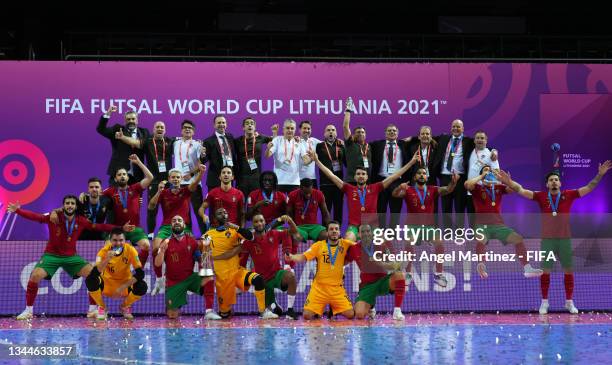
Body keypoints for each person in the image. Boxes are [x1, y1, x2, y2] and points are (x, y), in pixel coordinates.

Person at [496, 161, 611, 314]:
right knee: (546, 272)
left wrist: (600, 174)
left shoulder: (569, 195)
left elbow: (589, 187)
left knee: (568, 271)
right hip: (548, 241)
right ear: (547, 184)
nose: (554, 181)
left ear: (560, 183)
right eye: (551, 180)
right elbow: (521, 190)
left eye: (556, 179)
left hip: (564, 240)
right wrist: (509, 182)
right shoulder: (541, 196)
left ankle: (569, 302)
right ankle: (544, 303)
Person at [7, 196, 132, 320]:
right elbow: (36, 217)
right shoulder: (53, 217)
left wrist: (121, 228)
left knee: (93, 274)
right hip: (51, 256)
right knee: (35, 276)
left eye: (72, 203)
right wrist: (18, 210)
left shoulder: (81, 220)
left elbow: (99, 226)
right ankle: (28, 311)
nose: (70, 205)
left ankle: (92, 309)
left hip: (71, 257)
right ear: (63, 206)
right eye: (67, 203)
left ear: (76, 206)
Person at [312, 149, 419, 241]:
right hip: (354, 226)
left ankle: (388, 263)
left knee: (383, 241)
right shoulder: (348, 188)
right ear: (354, 177)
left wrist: (411, 162)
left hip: (372, 227)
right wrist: (317, 161)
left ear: (367, 177)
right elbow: (331, 175)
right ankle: (344, 264)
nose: (361, 176)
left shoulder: (375, 187)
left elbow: (394, 176)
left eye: (363, 174)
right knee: (348, 239)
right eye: (358, 174)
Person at [464, 165, 542, 279]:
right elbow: (467, 184)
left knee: (518, 238)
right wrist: (481, 176)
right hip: (482, 226)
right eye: (486, 170)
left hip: (498, 226)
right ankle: (481, 265)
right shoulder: (476, 188)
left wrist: (508, 181)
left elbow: (515, 189)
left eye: (491, 170)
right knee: (482, 240)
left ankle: (527, 269)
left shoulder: (499, 188)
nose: (489, 171)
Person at [204, 208, 278, 319]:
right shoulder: (209, 234)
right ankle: (227, 307)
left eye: (225, 212)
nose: (223, 214)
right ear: (214, 218)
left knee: (258, 279)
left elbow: (251, 236)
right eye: (219, 213)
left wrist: (236, 227)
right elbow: (204, 251)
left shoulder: (235, 231)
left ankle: (263, 312)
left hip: (237, 272)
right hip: (223, 278)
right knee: (225, 314)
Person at [392, 167, 459, 287]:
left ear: (427, 177)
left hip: (428, 227)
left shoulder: (433, 189)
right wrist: (399, 188)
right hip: (412, 227)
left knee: (439, 242)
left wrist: (453, 182)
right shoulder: (408, 190)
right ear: (414, 177)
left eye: (424, 173)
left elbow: (448, 190)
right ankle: (408, 273)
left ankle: (438, 274)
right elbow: (395, 194)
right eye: (419, 173)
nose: (422, 175)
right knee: (409, 241)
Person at [148, 165, 206, 295]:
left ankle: (196, 280)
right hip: (167, 227)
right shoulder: (163, 193)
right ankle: (159, 280)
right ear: (169, 179)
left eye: (178, 177)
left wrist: (201, 173)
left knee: (197, 250)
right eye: (173, 177)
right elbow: (151, 206)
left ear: (181, 179)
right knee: (156, 248)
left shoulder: (185, 191)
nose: (175, 179)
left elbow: (195, 183)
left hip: (184, 226)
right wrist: (159, 191)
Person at [115, 120, 175, 238]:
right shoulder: (148, 141)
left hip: (169, 180)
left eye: (162, 127)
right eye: (157, 127)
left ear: (165, 130)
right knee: (152, 208)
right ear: (153, 129)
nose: (159, 129)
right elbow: (136, 142)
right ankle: (151, 233)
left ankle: (172, 232)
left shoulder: (170, 141)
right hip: (153, 180)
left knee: (171, 208)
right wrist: (123, 138)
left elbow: (185, 141)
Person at [285, 221, 356, 320]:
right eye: (331, 229)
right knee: (306, 315)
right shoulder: (318, 245)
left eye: (336, 229)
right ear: (327, 233)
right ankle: (320, 309)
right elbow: (303, 257)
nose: (334, 231)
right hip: (319, 288)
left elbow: (359, 248)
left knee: (350, 314)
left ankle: (333, 309)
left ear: (340, 232)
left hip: (337, 289)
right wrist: (292, 257)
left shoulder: (346, 244)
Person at [154, 215, 220, 319]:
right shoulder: (165, 242)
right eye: (174, 220)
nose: (176, 222)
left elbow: (200, 260)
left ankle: (209, 311)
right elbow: (157, 264)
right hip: (173, 282)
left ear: (184, 225)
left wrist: (206, 250)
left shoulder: (192, 241)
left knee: (209, 278)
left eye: (179, 220)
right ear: (170, 225)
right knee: (172, 315)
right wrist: (162, 251)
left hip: (190, 279)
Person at [240, 214, 299, 319]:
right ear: (252, 224)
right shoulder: (248, 242)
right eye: (256, 221)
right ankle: (273, 304)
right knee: (276, 312)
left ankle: (290, 310)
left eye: (261, 221)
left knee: (291, 277)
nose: (259, 223)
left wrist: (290, 221)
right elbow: (241, 262)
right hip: (262, 281)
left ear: (265, 222)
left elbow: (293, 233)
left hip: (276, 274)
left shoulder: (274, 234)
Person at [85, 228, 147, 320]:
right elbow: (95, 272)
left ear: (125, 241)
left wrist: (122, 287)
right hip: (106, 285)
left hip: (124, 287)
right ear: (110, 240)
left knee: (142, 285)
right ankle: (102, 307)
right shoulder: (103, 251)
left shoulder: (131, 250)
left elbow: (140, 274)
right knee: (90, 279)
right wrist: (107, 259)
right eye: (115, 240)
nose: (118, 243)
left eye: (121, 240)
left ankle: (124, 306)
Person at [103, 154, 154, 265]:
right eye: (119, 175)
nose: (122, 176)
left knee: (146, 245)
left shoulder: (135, 188)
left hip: (134, 228)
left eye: (124, 174)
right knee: (108, 248)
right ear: (115, 178)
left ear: (127, 177)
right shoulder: (110, 191)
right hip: (118, 230)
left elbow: (150, 178)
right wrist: (84, 194)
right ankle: (113, 272)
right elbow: (96, 195)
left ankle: (138, 269)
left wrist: (139, 162)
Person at [347, 224, 406, 320]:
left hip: (383, 282)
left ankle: (397, 311)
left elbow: (396, 265)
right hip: (367, 286)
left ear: (371, 233)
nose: (366, 234)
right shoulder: (354, 249)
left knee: (399, 275)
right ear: (358, 234)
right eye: (363, 232)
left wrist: (380, 263)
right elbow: (344, 261)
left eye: (368, 231)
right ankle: (371, 306)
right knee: (359, 315)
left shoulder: (381, 244)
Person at [370, 124, 411, 228]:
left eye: (394, 131)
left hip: (397, 182)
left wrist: (412, 138)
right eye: (389, 131)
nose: (392, 132)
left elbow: (422, 137)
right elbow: (361, 144)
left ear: (397, 133)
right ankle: (382, 233)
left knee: (396, 210)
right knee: (380, 210)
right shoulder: (377, 145)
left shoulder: (403, 144)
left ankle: (392, 234)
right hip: (381, 181)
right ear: (385, 133)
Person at [96, 105, 149, 185]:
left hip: (137, 174)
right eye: (128, 119)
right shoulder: (117, 129)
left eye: (133, 119)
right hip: (118, 173)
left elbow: (143, 145)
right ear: (125, 121)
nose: (131, 121)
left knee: (136, 198)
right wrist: (108, 113)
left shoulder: (144, 132)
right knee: (115, 197)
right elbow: (101, 129)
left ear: (137, 120)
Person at [174, 119, 207, 235]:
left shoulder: (198, 144)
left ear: (193, 132)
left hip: (194, 183)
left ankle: (205, 236)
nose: (187, 129)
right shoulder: (175, 143)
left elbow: (201, 164)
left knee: (198, 211)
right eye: (185, 127)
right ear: (181, 131)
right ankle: (187, 237)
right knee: (184, 212)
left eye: (190, 128)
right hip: (179, 183)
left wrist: (191, 174)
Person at [234, 117, 278, 198]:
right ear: (243, 127)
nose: (249, 125)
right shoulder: (237, 141)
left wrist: (274, 132)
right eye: (247, 124)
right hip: (241, 178)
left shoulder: (260, 138)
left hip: (256, 177)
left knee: (255, 201)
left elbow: (275, 141)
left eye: (252, 123)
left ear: (255, 127)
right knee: (241, 203)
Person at [266, 119, 312, 193]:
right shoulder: (277, 140)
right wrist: (268, 149)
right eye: (287, 128)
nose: (290, 130)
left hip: (294, 182)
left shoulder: (299, 142)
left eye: (292, 128)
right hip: (279, 181)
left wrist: (312, 158)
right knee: (279, 204)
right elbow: (267, 155)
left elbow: (306, 161)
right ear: (283, 129)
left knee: (295, 204)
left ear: (295, 130)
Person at [466, 130, 500, 227]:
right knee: (471, 217)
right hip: (471, 190)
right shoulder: (470, 152)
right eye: (477, 138)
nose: (480, 140)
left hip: (483, 191)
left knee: (483, 218)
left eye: (482, 138)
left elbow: (496, 172)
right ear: (474, 140)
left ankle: (484, 238)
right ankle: (473, 238)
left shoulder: (491, 154)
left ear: (486, 140)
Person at [316, 124, 346, 223]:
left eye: (333, 130)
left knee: (338, 209)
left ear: (336, 133)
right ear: (324, 134)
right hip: (325, 184)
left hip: (339, 184)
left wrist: (345, 149)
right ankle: (325, 232)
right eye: (328, 130)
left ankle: (338, 233)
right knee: (326, 210)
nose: (331, 132)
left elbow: (347, 163)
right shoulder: (319, 146)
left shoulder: (341, 145)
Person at [287, 178, 331, 243]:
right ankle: (298, 253)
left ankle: (320, 252)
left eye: (310, 193)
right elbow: (289, 213)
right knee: (295, 237)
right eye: (306, 193)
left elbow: (325, 213)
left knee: (326, 236)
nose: (308, 195)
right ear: (300, 188)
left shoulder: (319, 194)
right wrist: (293, 227)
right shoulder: (292, 195)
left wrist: (329, 228)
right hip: (299, 227)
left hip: (314, 227)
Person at [201, 115, 237, 191]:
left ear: (226, 124)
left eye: (223, 122)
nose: (221, 124)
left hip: (229, 176)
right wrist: (203, 155)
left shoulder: (230, 137)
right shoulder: (208, 141)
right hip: (215, 178)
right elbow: (204, 160)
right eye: (219, 123)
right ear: (214, 125)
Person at [342, 98, 372, 185]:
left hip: (367, 180)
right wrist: (348, 110)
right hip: (352, 180)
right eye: (358, 132)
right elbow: (345, 127)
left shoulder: (369, 146)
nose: (360, 134)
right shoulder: (350, 143)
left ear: (365, 134)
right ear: (353, 135)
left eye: (362, 132)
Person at [298, 120, 322, 188]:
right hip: (298, 179)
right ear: (299, 130)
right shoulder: (295, 141)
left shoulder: (314, 141)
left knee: (314, 198)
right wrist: (313, 157)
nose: (307, 130)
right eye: (304, 128)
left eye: (309, 128)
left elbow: (326, 144)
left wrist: (338, 141)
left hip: (312, 178)